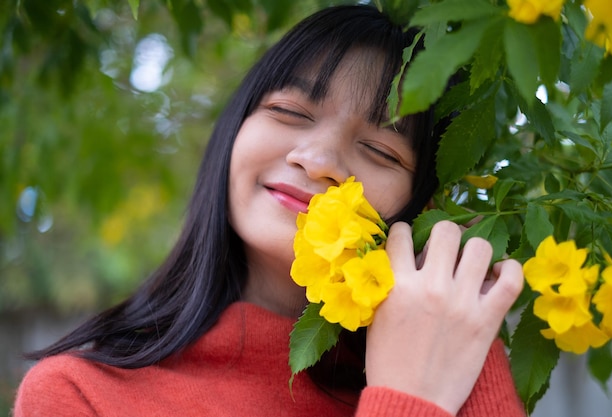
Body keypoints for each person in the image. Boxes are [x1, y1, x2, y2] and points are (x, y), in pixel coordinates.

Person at [13, 4, 525, 417]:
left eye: (382, 151)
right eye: (289, 112)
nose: (318, 161)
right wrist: (414, 403)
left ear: (421, 207)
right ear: (233, 130)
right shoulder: (81, 394)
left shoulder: (455, 353)